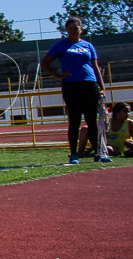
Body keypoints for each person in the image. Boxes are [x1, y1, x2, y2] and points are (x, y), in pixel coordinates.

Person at [41, 17, 110, 164]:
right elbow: (45, 63)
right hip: (71, 86)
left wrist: (102, 87)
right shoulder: (61, 46)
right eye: (70, 28)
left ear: (81, 29)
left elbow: (95, 67)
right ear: (67, 30)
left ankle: (98, 153)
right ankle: (74, 154)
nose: (73, 31)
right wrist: (58, 76)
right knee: (75, 121)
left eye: (76, 28)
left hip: (89, 84)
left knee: (92, 121)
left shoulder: (88, 46)